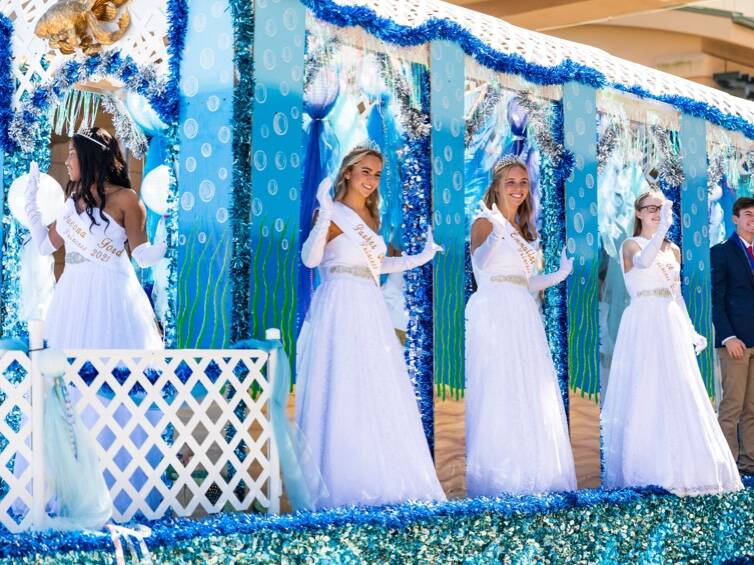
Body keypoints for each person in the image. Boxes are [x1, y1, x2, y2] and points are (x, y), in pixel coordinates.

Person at [295, 145, 446, 509]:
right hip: (338, 302)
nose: (371, 180)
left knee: (374, 385)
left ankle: (377, 472)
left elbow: (375, 267)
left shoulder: (371, 217)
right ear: (347, 172)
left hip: (368, 303)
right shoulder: (333, 212)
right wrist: (324, 217)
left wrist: (419, 258)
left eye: (377, 174)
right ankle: (339, 478)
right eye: (365, 171)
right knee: (342, 382)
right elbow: (310, 259)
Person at [602, 190, 742, 495]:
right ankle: (645, 470)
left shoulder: (674, 250)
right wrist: (662, 227)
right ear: (638, 213)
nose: (656, 211)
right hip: (643, 320)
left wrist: (691, 331)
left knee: (679, 390)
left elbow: (676, 295)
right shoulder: (630, 245)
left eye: (661, 207)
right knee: (646, 389)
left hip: (669, 321)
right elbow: (642, 262)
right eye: (650, 208)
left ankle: (687, 470)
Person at [465, 154, 576, 496]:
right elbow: (480, 265)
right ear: (496, 187)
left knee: (527, 387)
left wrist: (557, 275)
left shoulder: (525, 229)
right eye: (510, 182)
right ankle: (496, 477)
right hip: (493, 308)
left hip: (522, 311)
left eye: (523, 182)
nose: (517, 188)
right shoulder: (484, 222)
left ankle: (532, 472)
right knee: (498, 384)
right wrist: (498, 231)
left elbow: (524, 281)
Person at [24, 127, 164, 349]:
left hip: (110, 292)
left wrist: (170, 240)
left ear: (90, 155)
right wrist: (30, 206)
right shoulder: (73, 201)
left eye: (72, 154)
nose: (67, 162)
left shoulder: (126, 198)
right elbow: (45, 246)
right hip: (71, 292)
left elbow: (143, 257)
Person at [711, 196, 754, 475]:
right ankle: (727, 468)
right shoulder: (721, 252)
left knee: (752, 408)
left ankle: (749, 464)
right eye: (748, 214)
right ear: (735, 218)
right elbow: (717, 298)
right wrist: (728, 337)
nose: (753, 220)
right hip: (735, 342)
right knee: (732, 406)